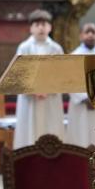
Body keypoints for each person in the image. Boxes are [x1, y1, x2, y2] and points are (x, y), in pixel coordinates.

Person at [13, 9, 65, 149]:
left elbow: (61, 73)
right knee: (29, 133)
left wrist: (47, 89)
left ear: (50, 27)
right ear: (31, 28)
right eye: (37, 24)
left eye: (44, 24)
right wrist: (34, 91)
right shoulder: (24, 48)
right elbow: (19, 73)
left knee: (51, 129)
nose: (41, 28)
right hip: (30, 99)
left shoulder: (56, 48)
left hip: (50, 98)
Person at [66, 22, 95, 148]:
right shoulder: (73, 57)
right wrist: (84, 98)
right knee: (79, 140)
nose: (90, 35)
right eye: (87, 32)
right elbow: (70, 80)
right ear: (80, 36)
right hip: (80, 106)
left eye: (93, 32)